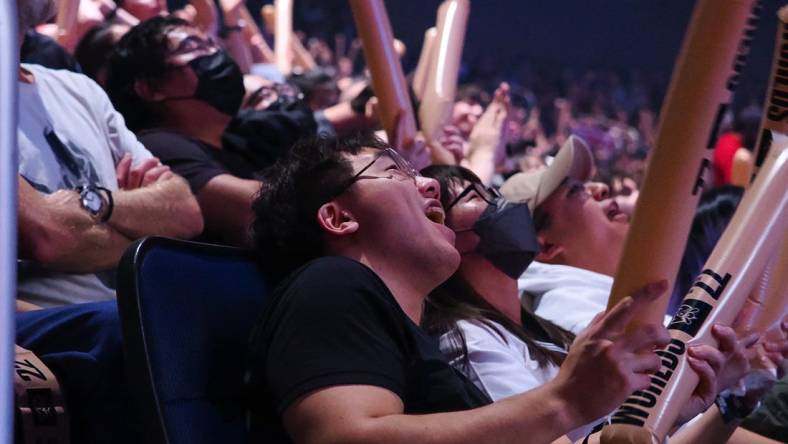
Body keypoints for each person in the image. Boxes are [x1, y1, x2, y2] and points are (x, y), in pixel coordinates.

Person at [245, 133, 676, 444]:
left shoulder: (423, 352)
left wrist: (680, 406)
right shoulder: (330, 281)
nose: (428, 183)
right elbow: (346, 438)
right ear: (339, 219)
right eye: (395, 172)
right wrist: (564, 401)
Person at [420, 164, 761, 442]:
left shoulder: (541, 331)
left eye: (491, 191)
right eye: (474, 195)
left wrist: (725, 405)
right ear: (442, 234)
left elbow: (639, 438)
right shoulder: (472, 342)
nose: (500, 205)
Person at [106, 16, 378, 245]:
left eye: (212, 43)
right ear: (151, 89)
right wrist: (364, 185)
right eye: (193, 46)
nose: (215, 53)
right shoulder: (158, 146)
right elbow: (256, 208)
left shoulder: (237, 139)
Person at [17, 3, 202, 308]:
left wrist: (98, 203)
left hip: (136, 313)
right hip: (59, 335)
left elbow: (185, 211)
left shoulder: (77, 87)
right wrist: (139, 221)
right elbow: (50, 238)